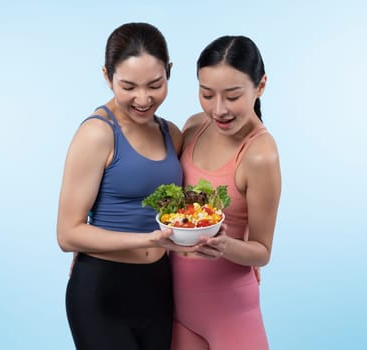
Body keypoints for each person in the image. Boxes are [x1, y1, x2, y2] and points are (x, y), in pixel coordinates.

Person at [56, 22, 184, 350]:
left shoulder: (172, 134)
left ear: (169, 72)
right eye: (128, 86)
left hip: (159, 288)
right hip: (102, 290)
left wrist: (241, 250)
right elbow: (67, 234)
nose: (143, 98)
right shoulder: (98, 134)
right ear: (106, 76)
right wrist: (147, 239)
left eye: (155, 84)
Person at [169, 35, 282, 350]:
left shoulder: (260, 154)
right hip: (177, 310)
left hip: (230, 313)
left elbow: (262, 251)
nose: (218, 110)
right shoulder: (194, 127)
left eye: (232, 96)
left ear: (260, 86)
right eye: (207, 94)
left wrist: (225, 246)